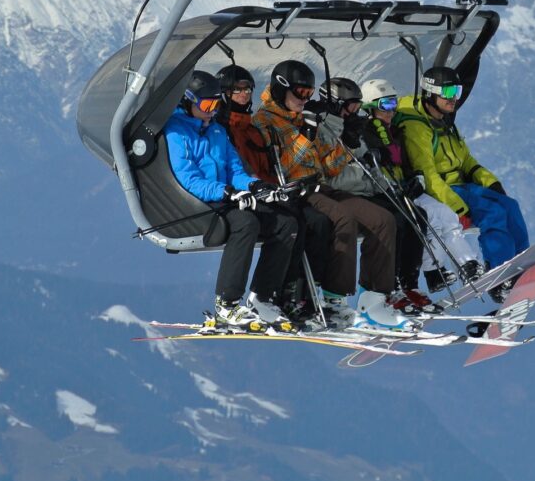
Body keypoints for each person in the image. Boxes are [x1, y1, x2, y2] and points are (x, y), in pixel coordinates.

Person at [252, 60, 412, 331]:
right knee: (343, 219)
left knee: (383, 219)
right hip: (296, 189)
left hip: (321, 185)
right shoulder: (265, 121)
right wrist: (307, 134)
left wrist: (345, 144)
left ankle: (374, 300)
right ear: (281, 90)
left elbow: (328, 166)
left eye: (309, 94)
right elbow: (287, 167)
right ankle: (333, 299)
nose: (305, 99)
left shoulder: (302, 117)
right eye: (300, 93)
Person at [163, 70, 299, 329]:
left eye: (216, 104)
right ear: (189, 101)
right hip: (196, 203)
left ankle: (262, 296)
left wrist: (255, 185)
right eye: (207, 104)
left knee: (284, 222)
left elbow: (235, 170)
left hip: (223, 196)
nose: (212, 110)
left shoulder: (215, 131)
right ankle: (226, 304)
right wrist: (227, 192)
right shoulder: (176, 132)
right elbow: (188, 180)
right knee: (245, 223)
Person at [396, 66, 530, 300]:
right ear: (430, 93)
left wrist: (491, 182)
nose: (454, 98)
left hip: (464, 185)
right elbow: (427, 175)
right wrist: (459, 208)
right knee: (493, 213)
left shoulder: (445, 121)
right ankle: (500, 275)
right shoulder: (416, 127)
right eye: (447, 92)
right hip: (446, 190)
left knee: (510, 205)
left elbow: (466, 160)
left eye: (456, 90)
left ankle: (520, 266)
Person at [215, 63, 332, 323]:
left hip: (266, 189)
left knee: (305, 221)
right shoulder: (227, 127)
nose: (244, 94)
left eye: (248, 89)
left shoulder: (249, 126)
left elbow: (272, 164)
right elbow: (239, 168)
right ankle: (275, 294)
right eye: (237, 90)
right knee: (294, 220)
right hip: (242, 194)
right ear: (224, 93)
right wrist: (256, 187)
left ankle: (291, 294)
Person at [313, 77, 437, 316]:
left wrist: (389, 187)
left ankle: (406, 283)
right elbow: (332, 176)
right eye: (351, 105)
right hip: (343, 193)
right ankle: (378, 290)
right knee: (389, 220)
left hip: (364, 189)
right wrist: (368, 179)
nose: (356, 110)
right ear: (336, 103)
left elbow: (369, 164)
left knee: (413, 214)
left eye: (358, 105)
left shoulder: (351, 126)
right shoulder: (323, 129)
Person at [359, 78, 485, 294]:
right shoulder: (366, 133)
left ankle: (467, 265)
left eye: (393, 104)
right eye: (385, 105)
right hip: (389, 192)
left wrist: (416, 178)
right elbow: (371, 168)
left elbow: (407, 162)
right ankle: (433, 271)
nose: (391, 111)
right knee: (428, 219)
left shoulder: (396, 131)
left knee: (446, 215)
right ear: (371, 108)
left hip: (407, 188)